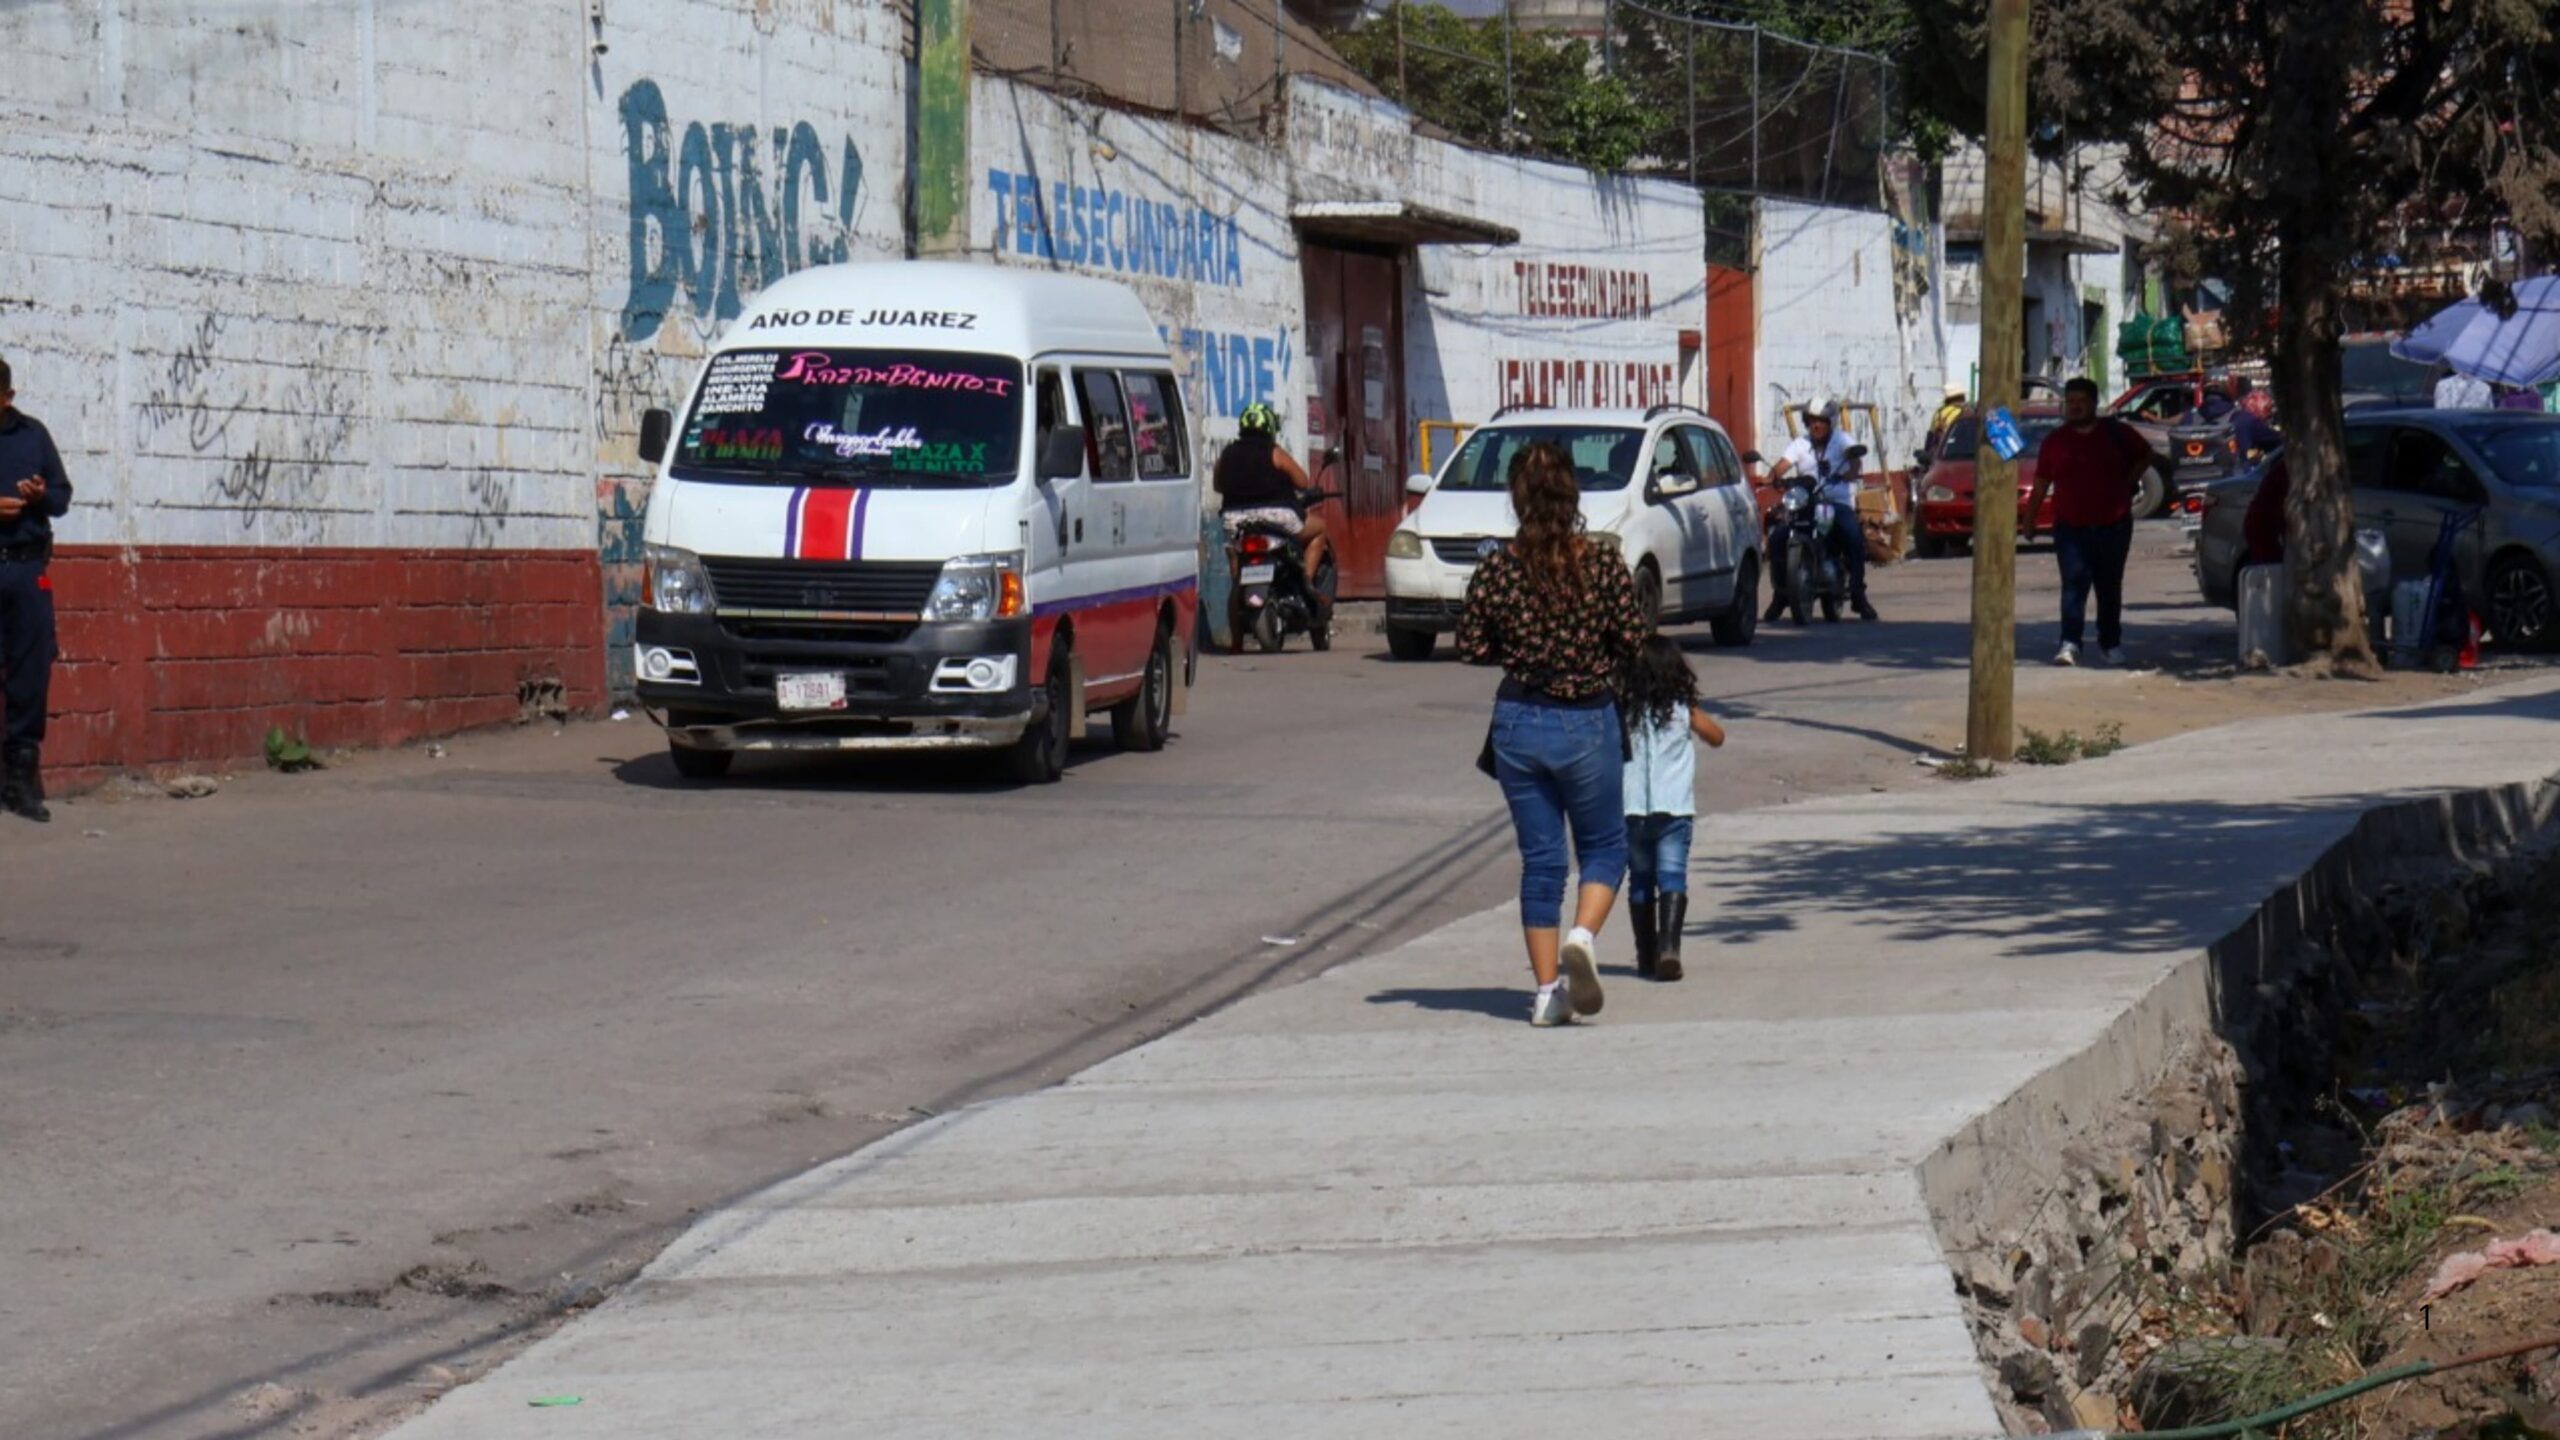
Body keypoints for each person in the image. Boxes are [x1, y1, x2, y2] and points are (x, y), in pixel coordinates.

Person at [1456, 442, 1648, 1028]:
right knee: (1605, 847)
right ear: (1573, 495)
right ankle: (1582, 937)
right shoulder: (1602, 564)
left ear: (1516, 499)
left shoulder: (1497, 568)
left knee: (1541, 861)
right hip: (1586, 719)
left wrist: (1520, 646)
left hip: (1518, 720)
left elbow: (1472, 645)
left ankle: (1546, 993)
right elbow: (1632, 641)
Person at [2023, 377, 2159, 667]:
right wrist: (2029, 519)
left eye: (2081, 402)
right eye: (2070, 402)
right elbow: (2042, 482)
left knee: (2109, 587)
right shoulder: (2055, 441)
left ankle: (2110, 644)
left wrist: (2130, 480)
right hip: (2070, 527)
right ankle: (2070, 643)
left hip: (2114, 525)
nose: (2075, 407)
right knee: (2073, 584)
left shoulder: (2117, 433)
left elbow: (2147, 455)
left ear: (2093, 404)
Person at [1617, 635, 1726, 984]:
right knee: (1672, 877)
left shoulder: (1624, 712)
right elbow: (1717, 736)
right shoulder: (1682, 710)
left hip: (1632, 811)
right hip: (1674, 810)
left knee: (1640, 880)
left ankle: (1645, 956)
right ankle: (1669, 949)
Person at [0, 355, 71, 822]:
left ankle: (21, 783)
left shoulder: (33, 435)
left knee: (30, 672)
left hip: (27, 569)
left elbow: (62, 497)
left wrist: (40, 496)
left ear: (7, 396)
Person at [1760, 403, 1878, 621]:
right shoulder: (1800, 444)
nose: (1816, 425)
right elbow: (1782, 465)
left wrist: (1850, 473)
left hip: (1836, 503)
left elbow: (1855, 462)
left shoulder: (1842, 440)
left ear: (1830, 422)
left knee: (1853, 536)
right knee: (1778, 537)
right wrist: (1771, 477)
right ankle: (1781, 594)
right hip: (1806, 503)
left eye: (1821, 421)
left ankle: (1858, 595)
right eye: (1812, 421)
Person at [1213, 401, 1328, 591]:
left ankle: (1238, 595)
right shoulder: (1274, 452)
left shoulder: (1226, 454)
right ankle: (1306, 583)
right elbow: (1302, 482)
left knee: (1235, 556)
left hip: (1235, 520)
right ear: (1270, 428)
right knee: (1320, 529)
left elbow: (1218, 486)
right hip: (1276, 518)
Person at [2231, 380, 2281, 459]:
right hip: (2252, 461)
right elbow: (2273, 437)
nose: (2269, 413)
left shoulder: (2242, 417)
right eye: (2267, 409)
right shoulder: (2252, 421)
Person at [1927, 383, 1967, 460]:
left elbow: (1931, 434)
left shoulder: (1938, 412)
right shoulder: (1961, 412)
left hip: (1939, 453)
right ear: (1960, 397)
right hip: (1956, 453)